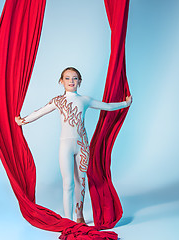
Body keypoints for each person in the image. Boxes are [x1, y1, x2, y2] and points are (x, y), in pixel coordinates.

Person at [15, 67, 132, 224]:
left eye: (75, 78)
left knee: (81, 181)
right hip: (65, 146)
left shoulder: (84, 99)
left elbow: (108, 106)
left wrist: (125, 103)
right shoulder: (57, 101)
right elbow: (40, 112)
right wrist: (23, 120)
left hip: (82, 146)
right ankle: (67, 219)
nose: (71, 81)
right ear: (61, 81)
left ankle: (79, 216)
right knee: (67, 183)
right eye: (68, 78)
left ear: (80, 81)